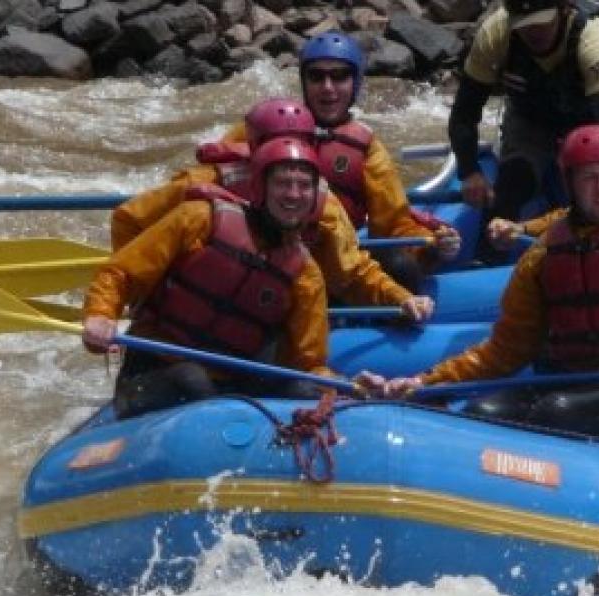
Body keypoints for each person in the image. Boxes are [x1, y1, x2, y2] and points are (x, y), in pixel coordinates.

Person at [356, 125, 599, 442]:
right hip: (573, 383)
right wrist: (425, 382)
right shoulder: (544, 254)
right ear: (570, 184)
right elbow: (504, 351)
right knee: (482, 410)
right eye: (590, 178)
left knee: (557, 411)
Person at [111, 97, 435, 323]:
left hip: (268, 307)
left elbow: (353, 270)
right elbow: (128, 219)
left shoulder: (321, 204)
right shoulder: (202, 188)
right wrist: (140, 293)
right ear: (252, 146)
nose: (287, 156)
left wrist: (400, 297)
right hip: (194, 306)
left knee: (400, 269)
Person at [82, 137, 334, 418]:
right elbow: (120, 273)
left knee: (306, 390)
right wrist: (100, 315)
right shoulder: (199, 219)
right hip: (156, 372)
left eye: (304, 186)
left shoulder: (305, 274)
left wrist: (342, 387)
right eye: (282, 183)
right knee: (192, 380)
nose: (294, 194)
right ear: (260, 187)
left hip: (234, 384)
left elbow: (310, 362)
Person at [222, 31, 461, 290]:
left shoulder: (367, 150)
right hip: (262, 252)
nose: (328, 87)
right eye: (316, 76)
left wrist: (431, 246)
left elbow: (394, 225)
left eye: (339, 76)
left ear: (355, 82)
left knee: (400, 267)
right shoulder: (266, 124)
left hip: (330, 262)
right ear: (304, 81)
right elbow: (212, 174)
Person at [448, 0, 599, 251]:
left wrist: (578, 172)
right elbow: (464, 113)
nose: (532, 32)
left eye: (541, 23)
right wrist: (470, 171)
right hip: (533, 117)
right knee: (512, 182)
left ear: (563, 10)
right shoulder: (495, 33)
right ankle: (488, 257)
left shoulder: (593, 37)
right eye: (523, 25)